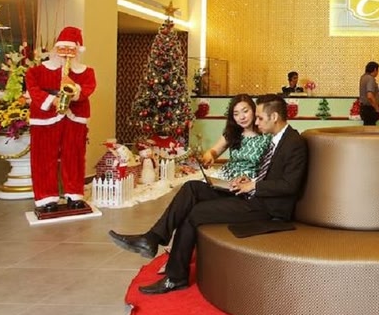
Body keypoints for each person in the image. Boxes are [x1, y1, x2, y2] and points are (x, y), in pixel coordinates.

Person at [108, 94, 308, 294]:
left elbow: (290, 185)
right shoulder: (276, 139)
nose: (256, 122)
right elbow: (269, 173)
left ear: (274, 117)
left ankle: (175, 277)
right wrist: (249, 180)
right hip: (253, 194)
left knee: (195, 212)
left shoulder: (294, 143)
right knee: (191, 188)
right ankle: (152, 238)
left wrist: (254, 186)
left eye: (260, 118)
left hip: (266, 208)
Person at [26, 26, 97, 213]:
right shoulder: (36, 71)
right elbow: (33, 90)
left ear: (77, 51)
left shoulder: (86, 72)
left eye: (70, 50)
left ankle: (74, 194)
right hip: (44, 118)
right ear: (55, 49)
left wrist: (73, 88)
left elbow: (88, 88)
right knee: (43, 157)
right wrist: (52, 100)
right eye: (62, 49)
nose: (66, 55)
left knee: (74, 156)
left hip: (75, 117)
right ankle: (46, 198)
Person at [199, 94, 271, 181]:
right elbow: (214, 151)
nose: (241, 117)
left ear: (253, 110)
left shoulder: (266, 134)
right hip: (226, 175)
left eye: (245, 111)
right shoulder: (232, 132)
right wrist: (209, 155)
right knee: (193, 185)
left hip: (250, 180)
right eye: (236, 114)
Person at [359, 61, 379, 126]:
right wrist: (376, 108)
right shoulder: (370, 78)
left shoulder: (363, 77)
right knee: (371, 130)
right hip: (370, 109)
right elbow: (370, 96)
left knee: (366, 129)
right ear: (375, 69)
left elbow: (369, 92)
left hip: (363, 108)